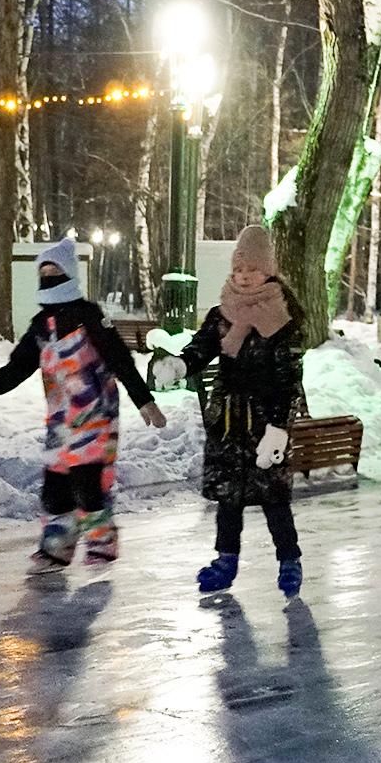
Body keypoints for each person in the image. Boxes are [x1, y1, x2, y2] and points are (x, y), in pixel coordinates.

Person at [0, 238, 166, 573]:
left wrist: (145, 401)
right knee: (55, 485)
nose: (49, 278)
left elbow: (119, 359)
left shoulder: (89, 317)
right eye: (44, 273)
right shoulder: (41, 326)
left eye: (55, 272)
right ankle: (56, 547)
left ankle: (102, 542)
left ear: (68, 274)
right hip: (60, 422)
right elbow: (19, 366)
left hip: (96, 416)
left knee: (87, 483)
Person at [152, 225, 306, 598]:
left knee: (273, 498)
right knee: (228, 498)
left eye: (251, 269)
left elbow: (289, 377)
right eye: (238, 269)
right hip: (227, 420)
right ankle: (226, 560)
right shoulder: (222, 310)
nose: (243, 276)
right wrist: (179, 365)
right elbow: (202, 347)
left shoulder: (284, 315)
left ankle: (289, 561)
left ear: (267, 269)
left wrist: (278, 428)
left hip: (264, 420)